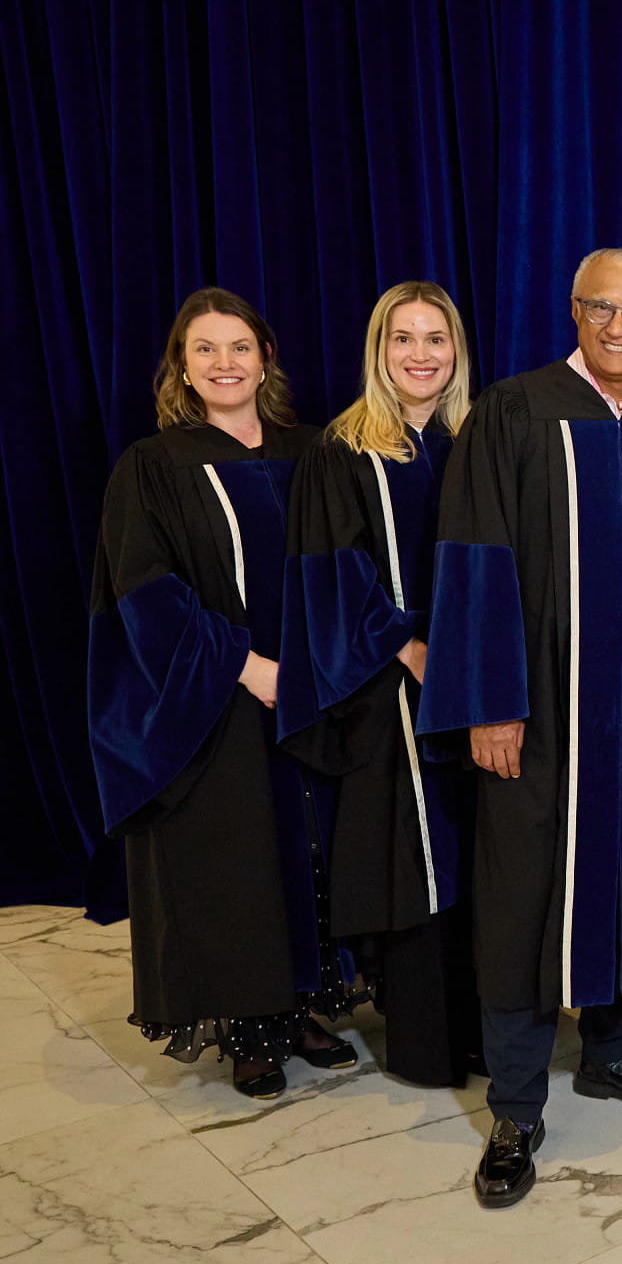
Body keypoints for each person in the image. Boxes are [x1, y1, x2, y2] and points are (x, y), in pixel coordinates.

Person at [417, 248, 622, 1208]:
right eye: (604, 308)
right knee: (520, 891)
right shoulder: (513, 412)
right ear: (575, 310)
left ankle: (608, 1051)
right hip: (538, 713)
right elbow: (472, 564)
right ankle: (515, 1104)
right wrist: (489, 702)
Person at [87, 288, 360, 1100]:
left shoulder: (315, 450)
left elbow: (350, 567)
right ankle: (251, 1030)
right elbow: (145, 590)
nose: (224, 364)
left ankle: (307, 1007)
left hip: (311, 688)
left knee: (309, 849)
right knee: (235, 860)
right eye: (204, 350)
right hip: (216, 695)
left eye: (239, 347)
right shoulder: (155, 465)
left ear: (265, 359)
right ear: (182, 367)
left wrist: (317, 666)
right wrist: (245, 666)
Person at [277, 281, 479, 1088]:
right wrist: (408, 644)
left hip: (472, 680)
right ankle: (426, 1045)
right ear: (379, 351)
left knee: (473, 854)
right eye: (404, 339)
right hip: (390, 683)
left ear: (457, 352)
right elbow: (334, 575)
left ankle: (479, 1029)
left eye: (436, 339)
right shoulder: (345, 450)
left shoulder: (476, 439)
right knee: (413, 861)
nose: (421, 354)